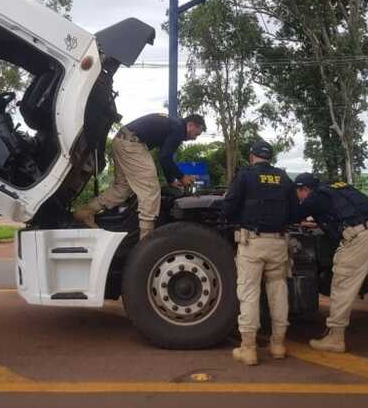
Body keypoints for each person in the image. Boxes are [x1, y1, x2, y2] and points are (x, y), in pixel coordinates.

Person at [294, 173, 368, 361]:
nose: (299, 197)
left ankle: (336, 338)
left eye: (298, 193)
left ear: (304, 189)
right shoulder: (339, 188)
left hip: (359, 240)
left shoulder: (315, 197)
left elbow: (293, 214)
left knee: (342, 288)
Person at [222, 141, 297, 366]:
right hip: (278, 243)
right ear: (269, 157)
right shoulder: (283, 178)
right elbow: (294, 211)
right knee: (278, 291)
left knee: (249, 293)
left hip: (252, 242)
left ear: (252, 156)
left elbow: (228, 209)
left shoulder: (245, 176)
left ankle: (248, 349)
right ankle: (278, 345)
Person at [74, 113, 206, 239]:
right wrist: (182, 177)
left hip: (121, 140)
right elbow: (165, 158)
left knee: (123, 187)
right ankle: (146, 240)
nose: (195, 138)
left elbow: (165, 157)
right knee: (151, 189)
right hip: (132, 144)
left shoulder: (173, 124)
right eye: (197, 133)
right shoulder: (179, 128)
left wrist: (171, 180)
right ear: (191, 125)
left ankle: (86, 212)